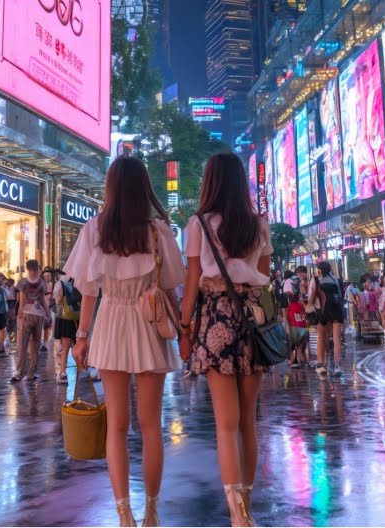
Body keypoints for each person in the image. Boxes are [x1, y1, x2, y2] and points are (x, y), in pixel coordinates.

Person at [66, 156, 183, 527]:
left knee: (116, 425)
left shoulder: (95, 229)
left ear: (111, 188)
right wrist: (183, 329)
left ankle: (124, 515)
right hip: (150, 322)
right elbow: (170, 289)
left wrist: (81, 337)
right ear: (143, 188)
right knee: (151, 425)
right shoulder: (158, 232)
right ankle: (151, 512)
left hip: (111, 322)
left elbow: (87, 292)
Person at [178, 153, 273, 528]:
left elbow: (191, 283)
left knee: (225, 423)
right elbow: (263, 280)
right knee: (248, 420)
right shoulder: (259, 224)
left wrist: (185, 328)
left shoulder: (198, 224)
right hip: (252, 319)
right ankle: (245, 509)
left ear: (210, 182)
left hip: (217, 319)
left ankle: (237, 514)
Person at [12, 259, 50, 382]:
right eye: (33, 269)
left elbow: (22, 300)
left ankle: (22, 371)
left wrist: (19, 314)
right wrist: (48, 314)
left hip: (29, 314)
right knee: (34, 343)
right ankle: (30, 372)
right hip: (37, 315)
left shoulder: (23, 282)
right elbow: (43, 301)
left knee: (24, 343)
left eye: (35, 269)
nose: (34, 271)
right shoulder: (41, 282)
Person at [312, 261, 345, 378]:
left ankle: (322, 364)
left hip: (324, 311)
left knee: (322, 338)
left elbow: (315, 299)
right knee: (337, 339)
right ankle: (337, 366)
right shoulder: (336, 280)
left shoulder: (319, 282)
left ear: (320, 270)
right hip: (337, 310)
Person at [52, 271, 82, 383]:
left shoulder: (60, 282)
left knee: (65, 347)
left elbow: (58, 300)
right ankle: (81, 369)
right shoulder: (77, 280)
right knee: (78, 345)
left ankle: (63, 372)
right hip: (78, 317)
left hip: (65, 317)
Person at [285, 291, 309, 367]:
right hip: (304, 328)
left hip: (296, 329)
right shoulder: (300, 304)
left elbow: (288, 318)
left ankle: (303, 363)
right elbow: (305, 314)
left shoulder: (290, 307)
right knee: (302, 348)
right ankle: (304, 362)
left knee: (298, 348)